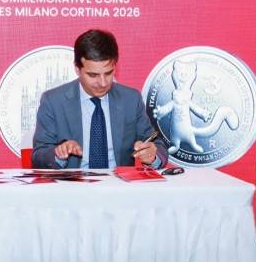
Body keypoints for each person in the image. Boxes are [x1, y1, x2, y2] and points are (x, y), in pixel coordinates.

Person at [32, 29, 168, 169]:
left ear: (115, 66)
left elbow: (157, 144)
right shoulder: (53, 101)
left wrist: (153, 155)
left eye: (108, 73)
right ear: (77, 69)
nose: (103, 83)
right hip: (73, 181)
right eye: (93, 75)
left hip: (119, 181)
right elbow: (39, 155)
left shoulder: (131, 99)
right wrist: (58, 154)